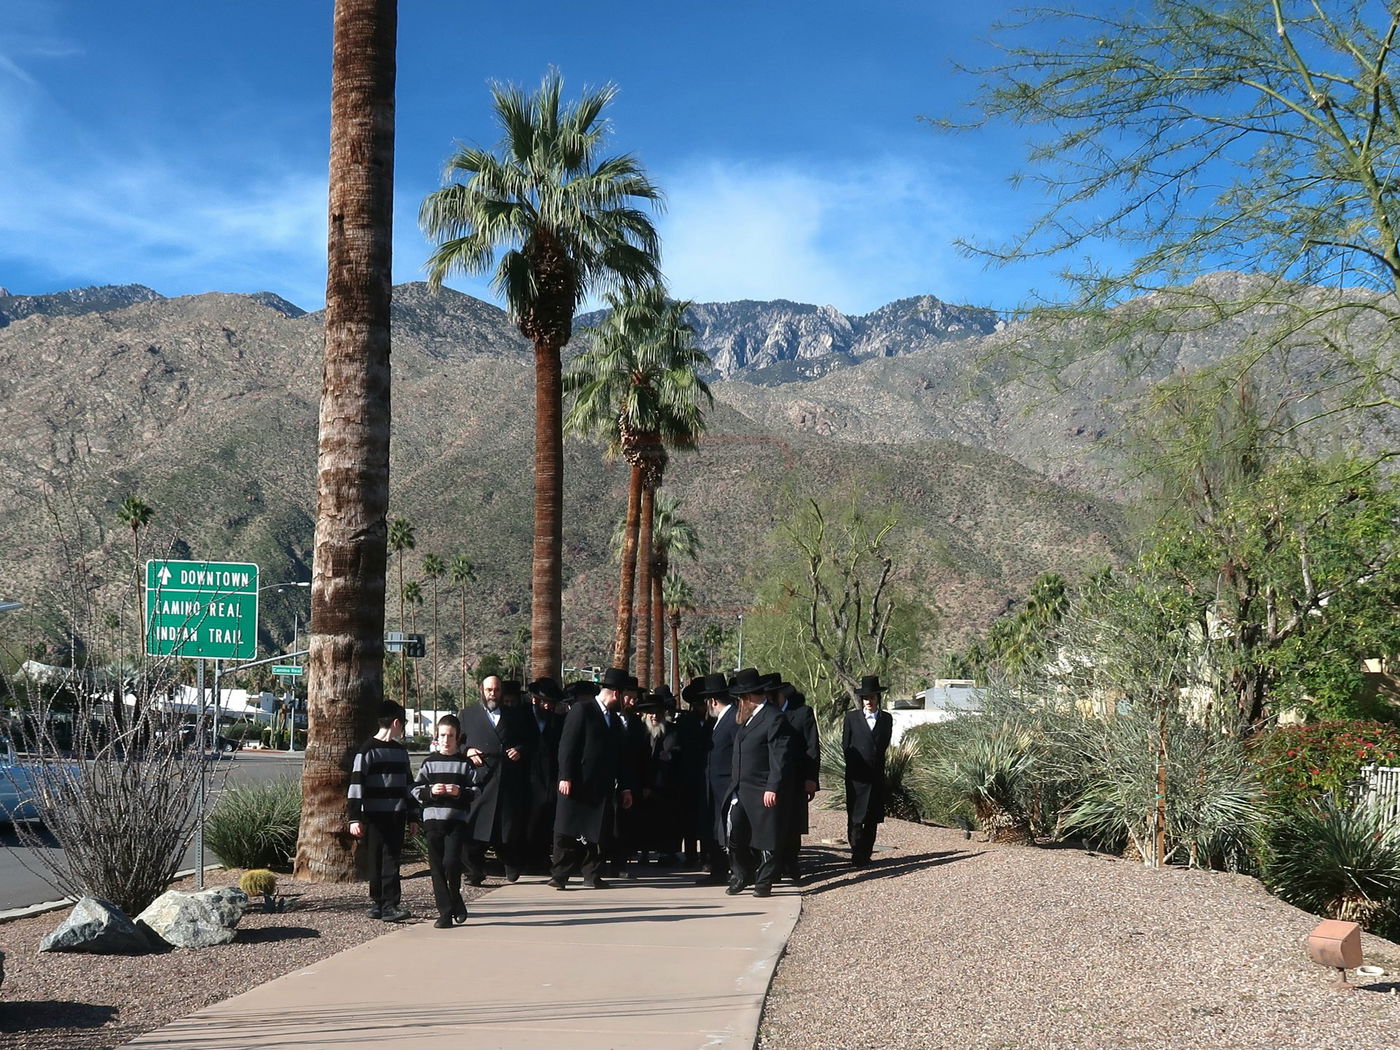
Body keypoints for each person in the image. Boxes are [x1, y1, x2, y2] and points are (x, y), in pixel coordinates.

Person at [550, 667, 634, 889]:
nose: (627, 700)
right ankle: (560, 875)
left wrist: (625, 788)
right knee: (568, 830)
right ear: (615, 693)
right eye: (625, 695)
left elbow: (621, 757)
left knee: (597, 832)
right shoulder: (582, 710)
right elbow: (567, 745)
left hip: (601, 786)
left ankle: (592, 874)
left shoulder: (615, 720)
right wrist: (565, 776)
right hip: (577, 782)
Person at [412, 714, 490, 928]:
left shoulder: (464, 764)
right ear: (437, 736)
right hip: (432, 822)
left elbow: (476, 791)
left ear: (458, 738)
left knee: (451, 864)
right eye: (443, 735)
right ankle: (445, 912)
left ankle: (455, 897)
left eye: (451, 736)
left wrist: (460, 792)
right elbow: (416, 789)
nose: (446, 740)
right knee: (436, 868)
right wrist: (430, 791)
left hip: (456, 822)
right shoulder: (429, 763)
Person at [725, 667, 797, 898]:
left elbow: (780, 756)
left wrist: (772, 787)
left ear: (747, 698)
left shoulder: (774, 718)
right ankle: (742, 874)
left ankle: (764, 881)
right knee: (736, 836)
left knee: (767, 838)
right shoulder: (746, 720)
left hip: (762, 788)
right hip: (741, 789)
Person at [348, 700, 419, 922]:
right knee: (376, 859)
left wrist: (413, 815)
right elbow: (356, 785)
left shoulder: (401, 752)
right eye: (404, 724)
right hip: (374, 818)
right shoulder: (367, 750)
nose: (403, 728)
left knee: (391, 859)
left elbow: (409, 786)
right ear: (396, 723)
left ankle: (389, 904)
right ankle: (379, 903)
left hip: (396, 816)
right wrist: (354, 819)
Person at [458, 674, 534, 883]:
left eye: (497, 690)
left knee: (508, 828)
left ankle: (511, 865)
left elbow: (531, 742)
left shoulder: (516, 715)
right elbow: (458, 743)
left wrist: (520, 750)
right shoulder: (467, 714)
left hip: (508, 779)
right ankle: (473, 871)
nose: (493, 694)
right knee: (475, 827)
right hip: (480, 779)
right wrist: (468, 750)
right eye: (489, 690)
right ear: (481, 690)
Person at [842, 675, 894, 867]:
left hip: (875, 777)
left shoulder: (886, 719)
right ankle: (856, 851)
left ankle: (866, 853)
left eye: (872, 697)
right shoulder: (851, 718)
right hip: (857, 777)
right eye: (865, 698)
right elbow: (846, 745)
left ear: (877, 698)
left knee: (872, 818)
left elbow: (884, 744)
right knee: (855, 817)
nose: (869, 701)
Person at [772, 681, 820, 883]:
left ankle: (791, 863)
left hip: (796, 778)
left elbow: (812, 747)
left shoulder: (802, 713)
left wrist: (811, 778)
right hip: (773, 778)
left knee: (792, 823)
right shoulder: (767, 714)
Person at [692, 672, 736, 885]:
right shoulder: (717, 721)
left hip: (726, 785)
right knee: (714, 830)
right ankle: (718, 871)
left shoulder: (733, 718)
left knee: (728, 831)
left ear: (712, 700)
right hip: (713, 786)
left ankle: (735, 871)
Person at [523, 677, 565, 873]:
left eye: (552, 703)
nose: (548, 706)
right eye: (546, 702)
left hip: (550, 779)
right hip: (528, 779)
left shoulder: (557, 721)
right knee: (529, 821)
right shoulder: (522, 718)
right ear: (535, 700)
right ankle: (528, 859)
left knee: (547, 820)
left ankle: (541, 858)